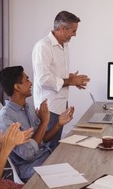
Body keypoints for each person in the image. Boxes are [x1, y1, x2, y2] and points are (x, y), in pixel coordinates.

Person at [0, 66, 74, 182]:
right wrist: (44, 122)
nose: (31, 83)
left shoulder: (28, 107)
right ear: (17, 87)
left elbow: (43, 139)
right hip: (32, 169)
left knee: (79, 160)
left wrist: (58, 123)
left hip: (47, 158)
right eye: (27, 80)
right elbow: (28, 153)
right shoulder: (6, 118)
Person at [32, 11, 89, 149]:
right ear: (62, 29)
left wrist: (72, 78)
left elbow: (55, 73)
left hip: (61, 102)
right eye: (73, 31)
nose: (75, 34)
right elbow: (43, 79)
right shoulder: (43, 47)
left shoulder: (65, 44)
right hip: (48, 106)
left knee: (55, 145)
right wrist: (70, 81)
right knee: (46, 147)